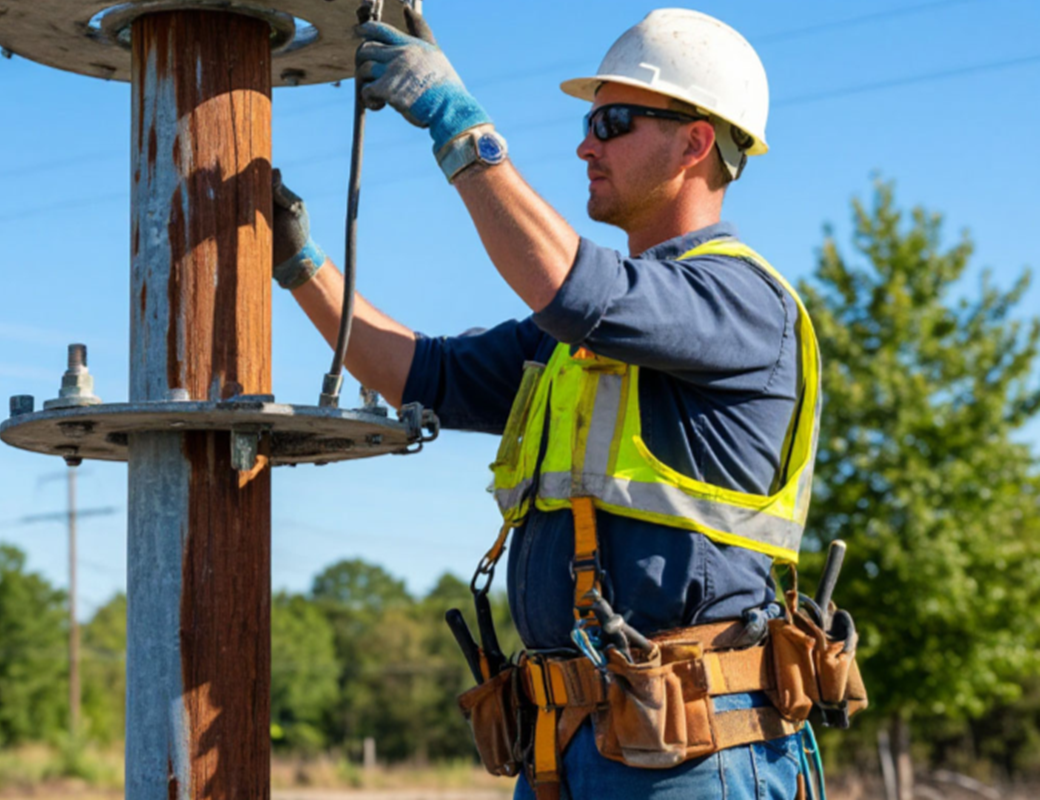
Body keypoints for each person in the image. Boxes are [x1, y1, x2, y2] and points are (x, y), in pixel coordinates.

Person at [271, 7, 838, 799]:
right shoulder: (575, 335)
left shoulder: (739, 302)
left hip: (692, 751)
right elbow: (421, 373)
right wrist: (300, 263)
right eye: (588, 122)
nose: (585, 144)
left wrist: (457, 125)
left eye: (612, 121)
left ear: (696, 142)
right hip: (566, 744)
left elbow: (577, 290)